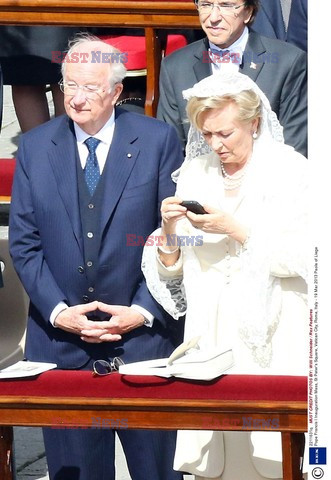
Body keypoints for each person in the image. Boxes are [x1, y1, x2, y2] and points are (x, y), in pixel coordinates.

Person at [9, 34, 184, 480]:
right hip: (62, 347)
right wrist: (60, 311)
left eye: (90, 87)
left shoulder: (158, 139)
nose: (77, 98)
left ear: (116, 92)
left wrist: (142, 312)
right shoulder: (34, 147)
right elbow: (26, 243)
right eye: (69, 85)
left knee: (155, 472)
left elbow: (174, 238)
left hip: (144, 347)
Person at [143, 71, 308, 479]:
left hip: (273, 337)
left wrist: (236, 230)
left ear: (253, 123)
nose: (216, 144)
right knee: (218, 462)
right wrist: (168, 235)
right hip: (210, 333)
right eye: (207, 133)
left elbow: (310, 256)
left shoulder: (292, 171)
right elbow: (175, 270)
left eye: (226, 133)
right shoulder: (196, 172)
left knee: (275, 458)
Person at [157, 0, 307, 156]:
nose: (213, 17)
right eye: (206, 4)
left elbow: (295, 149)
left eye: (226, 5)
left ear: (248, 13)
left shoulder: (288, 62)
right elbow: (171, 151)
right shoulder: (174, 67)